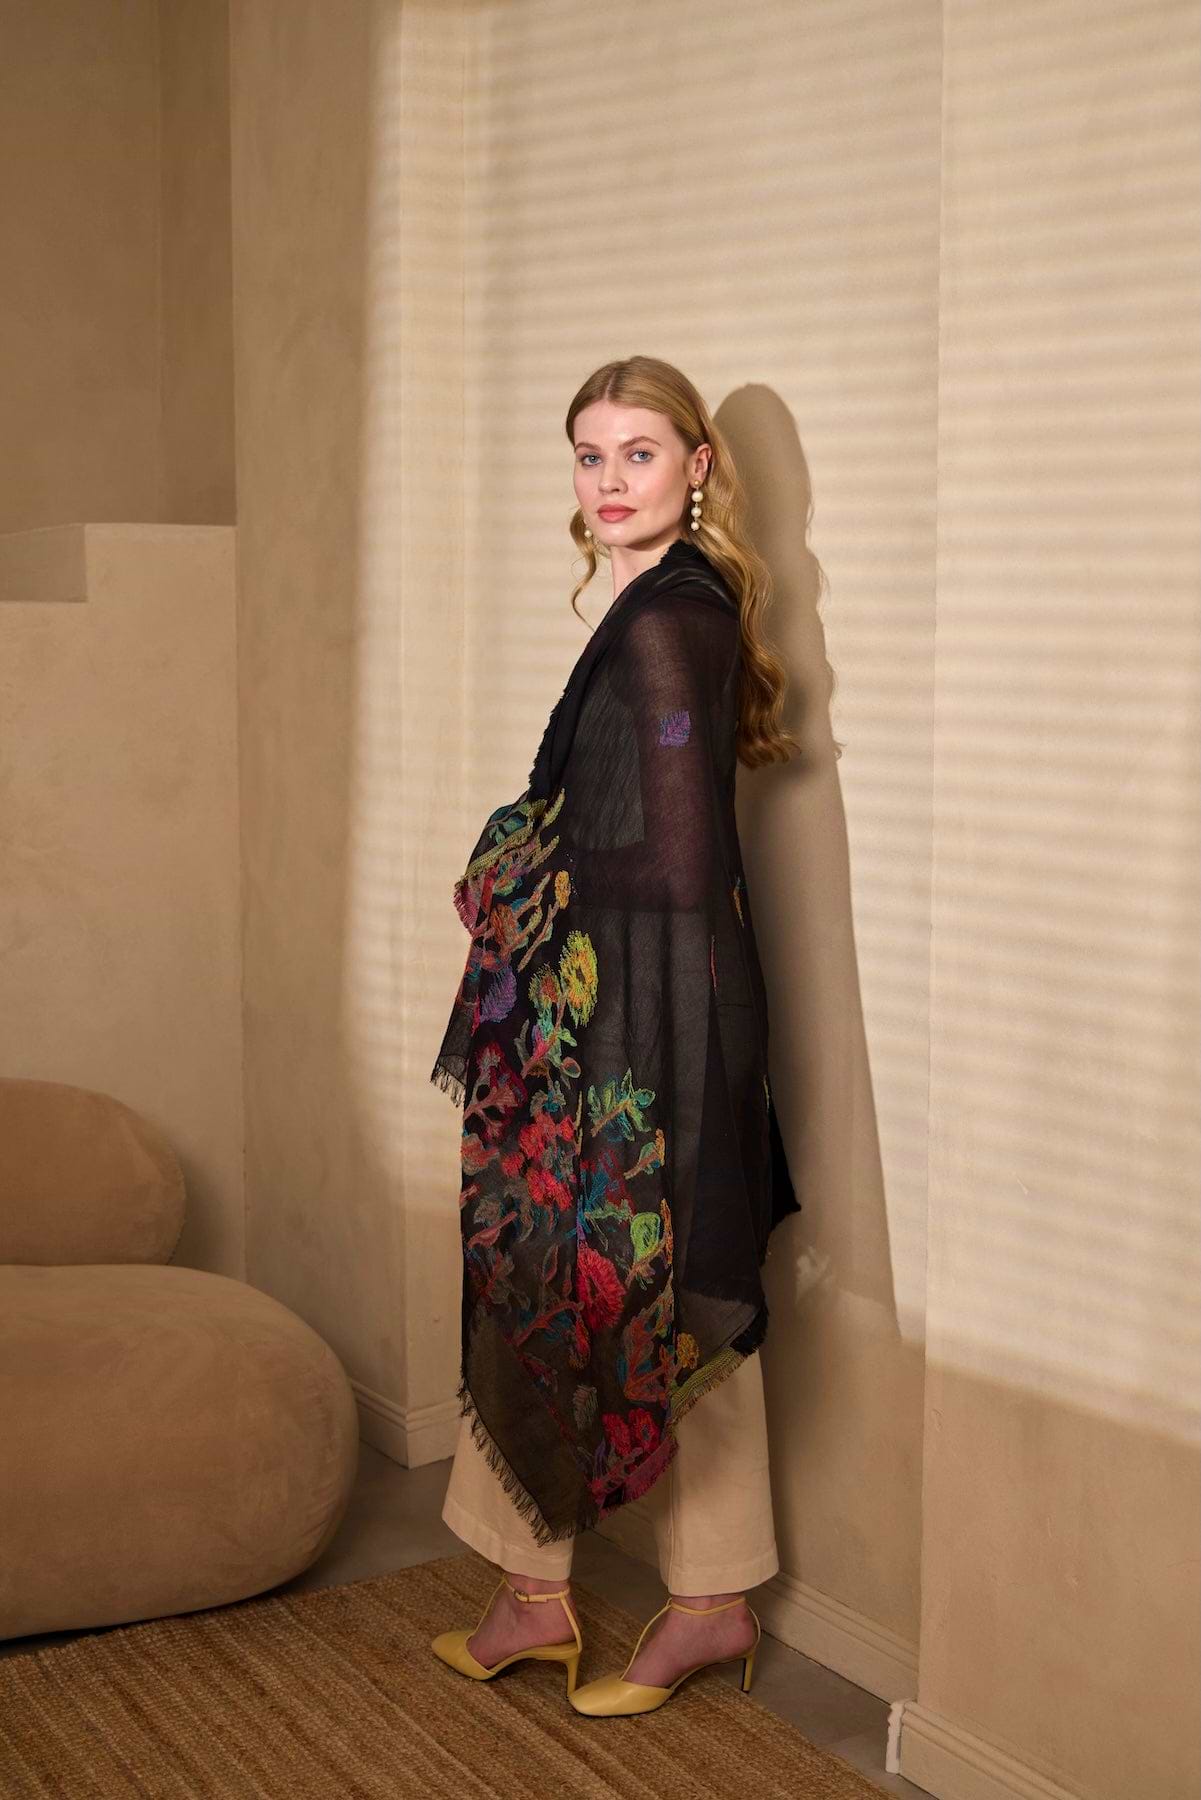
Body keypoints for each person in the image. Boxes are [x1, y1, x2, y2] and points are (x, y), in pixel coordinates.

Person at [428, 355, 802, 1715]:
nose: (608, 481)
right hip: (636, 1003)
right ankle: (557, 1596)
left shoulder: (665, 623)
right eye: (590, 456)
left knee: (651, 1286)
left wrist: (526, 862)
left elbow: (675, 863)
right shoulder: (671, 605)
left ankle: (691, 1607)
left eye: (638, 453)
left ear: (697, 466)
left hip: (644, 1024)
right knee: (605, 1281)